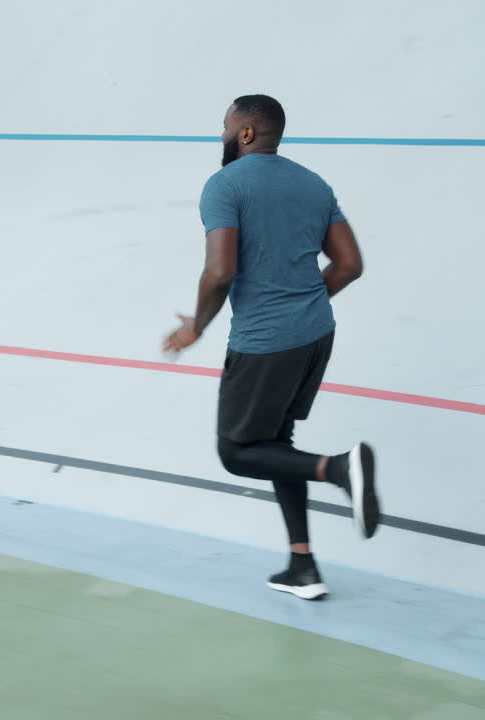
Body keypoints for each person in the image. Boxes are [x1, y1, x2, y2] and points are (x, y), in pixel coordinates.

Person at [163, 94, 380, 601]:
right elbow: (349, 264)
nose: (220, 137)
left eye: (223, 127)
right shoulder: (312, 183)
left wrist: (195, 327)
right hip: (316, 334)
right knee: (275, 444)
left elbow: (220, 271)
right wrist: (302, 300)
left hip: (265, 342)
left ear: (244, 133)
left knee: (237, 451)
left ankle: (339, 469)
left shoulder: (225, 185)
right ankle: (302, 565)